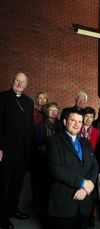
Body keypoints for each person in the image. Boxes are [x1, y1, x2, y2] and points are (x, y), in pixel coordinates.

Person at [46, 108, 98, 229]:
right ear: (65, 122)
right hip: (64, 202)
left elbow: (94, 166)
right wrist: (83, 183)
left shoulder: (86, 142)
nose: (76, 124)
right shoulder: (54, 141)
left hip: (85, 201)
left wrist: (85, 189)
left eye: (79, 121)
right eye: (73, 120)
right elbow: (56, 169)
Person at [0, 72, 34, 229]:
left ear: (26, 85)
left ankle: (12, 210)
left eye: (23, 82)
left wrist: (30, 151)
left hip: (23, 153)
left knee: (17, 184)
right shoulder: (2, 98)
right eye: (17, 81)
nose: (19, 84)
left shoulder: (28, 102)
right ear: (12, 81)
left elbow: (30, 129)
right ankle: (1, 216)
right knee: (2, 184)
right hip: (6, 152)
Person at [34, 102, 61, 215]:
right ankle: (43, 208)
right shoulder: (40, 126)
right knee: (44, 185)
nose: (53, 112)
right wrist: (52, 154)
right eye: (51, 110)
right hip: (44, 159)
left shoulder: (62, 125)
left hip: (59, 161)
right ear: (47, 111)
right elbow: (38, 144)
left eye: (55, 110)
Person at [79, 106, 100, 229]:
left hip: (91, 165)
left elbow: (98, 150)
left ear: (93, 118)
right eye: (86, 116)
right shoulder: (77, 129)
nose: (88, 119)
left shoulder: (97, 133)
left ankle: (90, 217)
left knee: (91, 192)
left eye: (91, 117)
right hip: (78, 164)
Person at [30, 92, 48, 205]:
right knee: (35, 173)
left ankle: (43, 196)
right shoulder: (33, 112)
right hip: (35, 145)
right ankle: (34, 196)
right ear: (37, 100)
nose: (42, 100)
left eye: (44, 98)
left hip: (47, 146)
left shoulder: (49, 112)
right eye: (39, 98)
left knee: (44, 173)